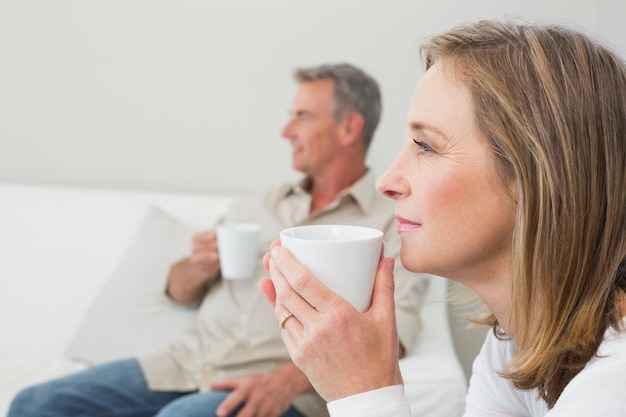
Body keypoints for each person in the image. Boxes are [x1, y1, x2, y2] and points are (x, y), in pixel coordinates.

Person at [8, 63, 429, 417]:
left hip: (273, 382)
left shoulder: (386, 222)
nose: (286, 131)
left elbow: (394, 332)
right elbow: (180, 293)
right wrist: (195, 267)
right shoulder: (257, 205)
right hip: (184, 363)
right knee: (33, 403)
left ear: (348, 127)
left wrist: (285, 381)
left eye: (302, 117)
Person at [261, 19, 626, 416]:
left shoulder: (612, 385)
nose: (387, 181)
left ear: (540, 174)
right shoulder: (512, 345)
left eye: (427, 147)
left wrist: (363, 393)